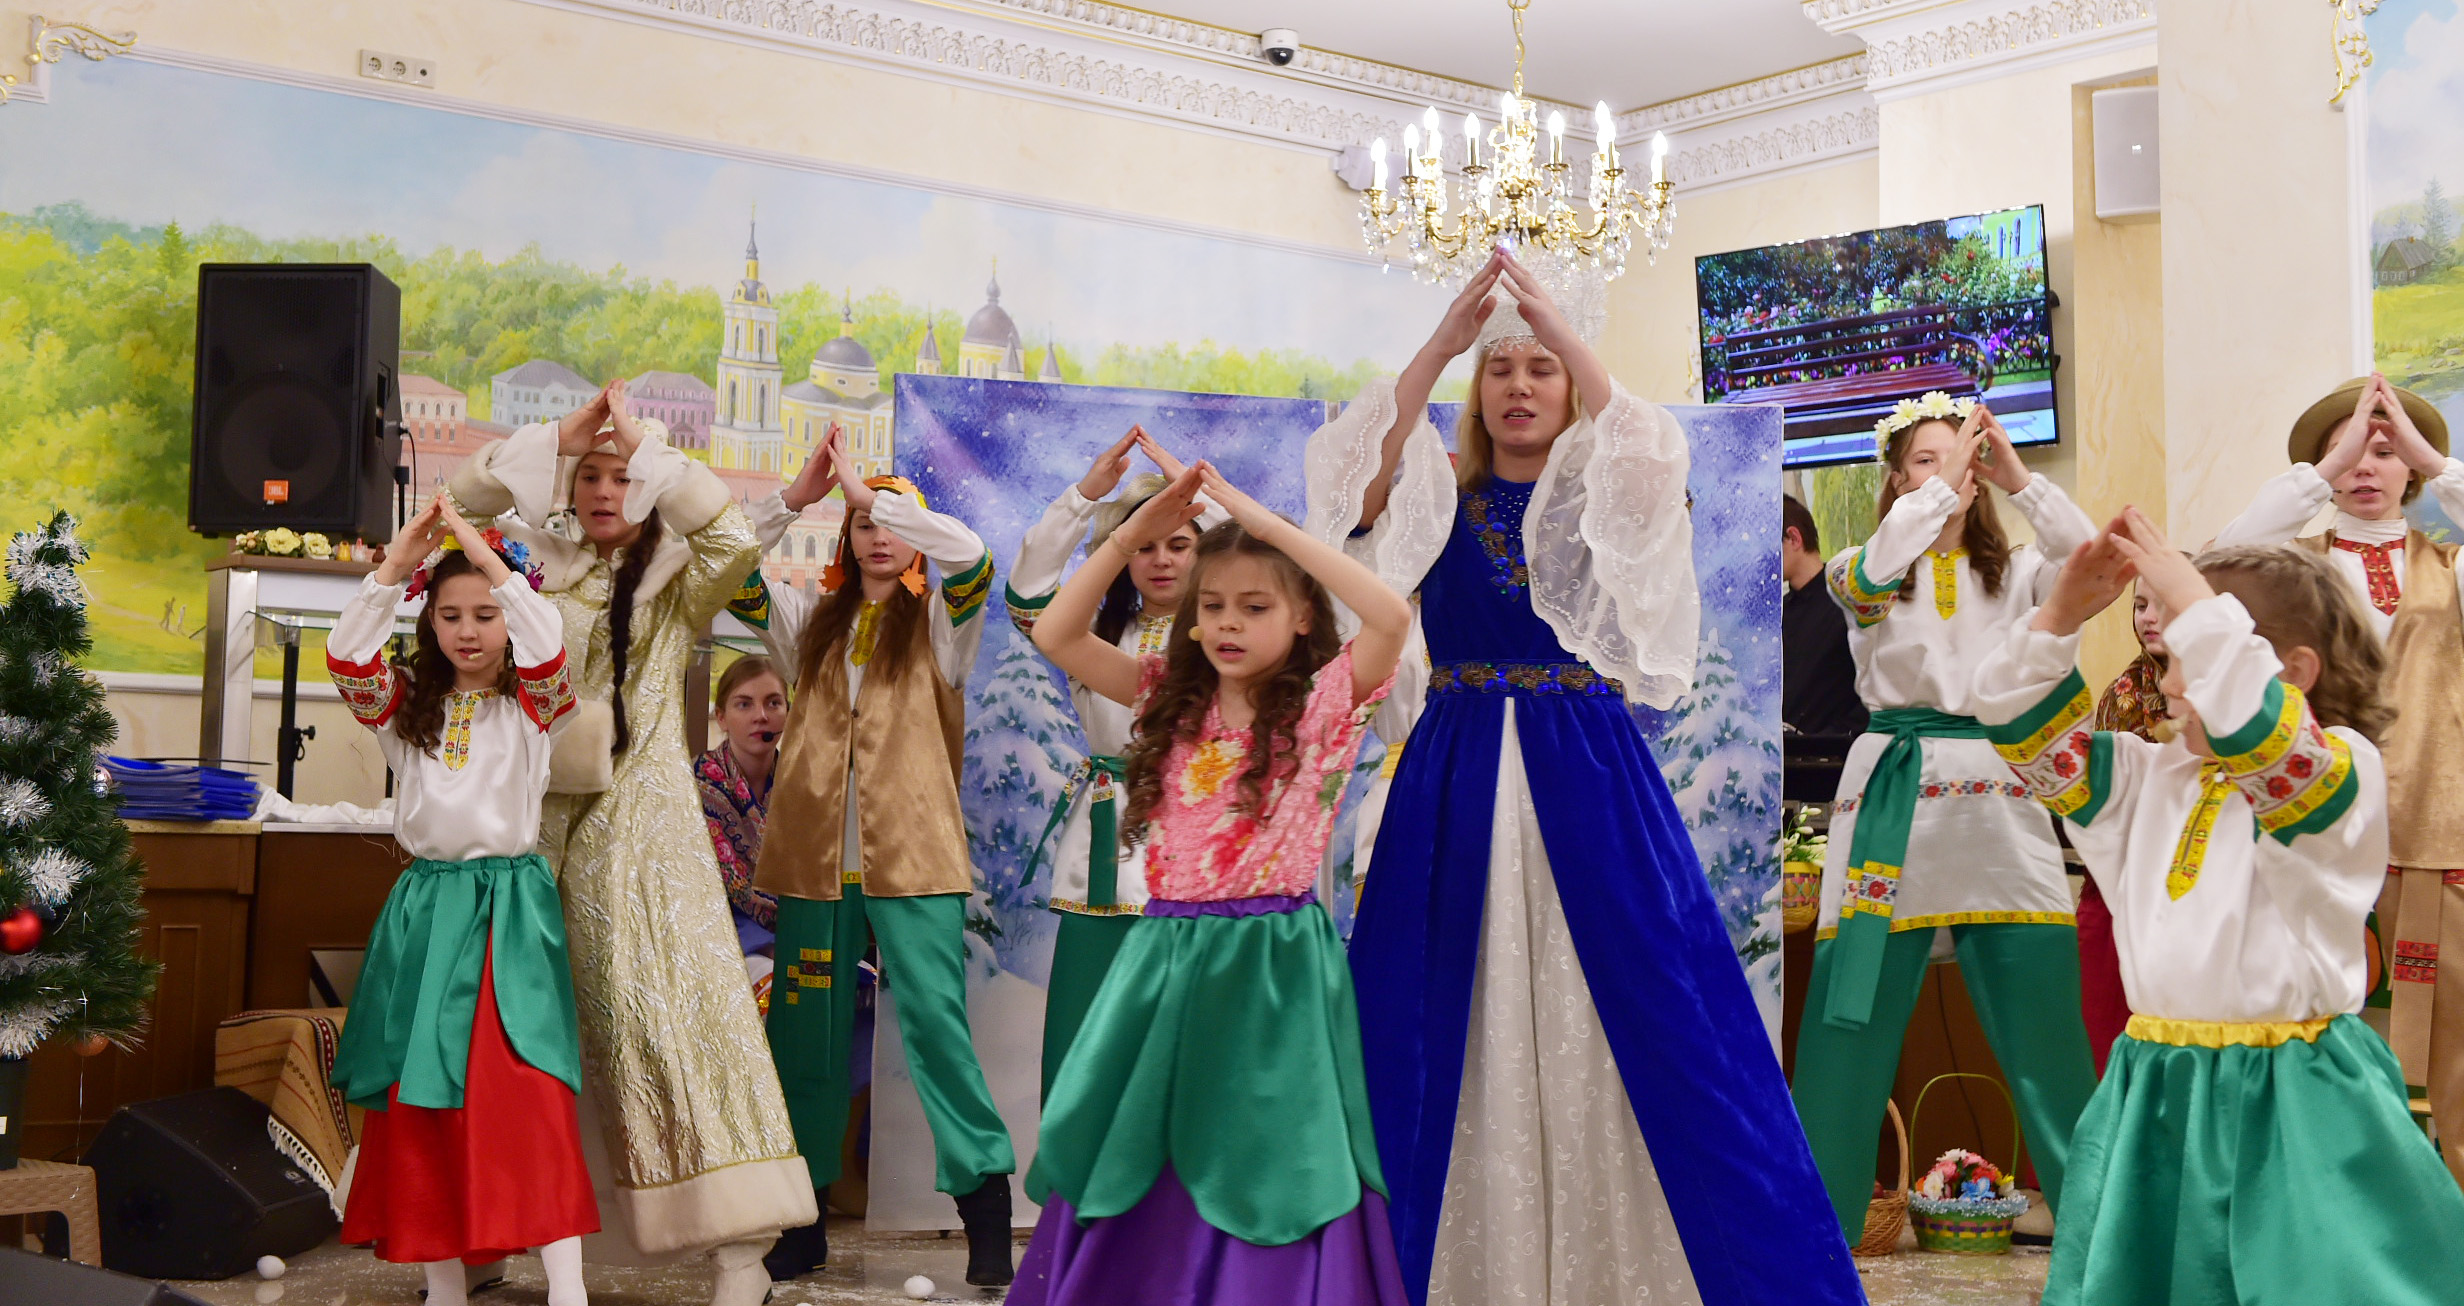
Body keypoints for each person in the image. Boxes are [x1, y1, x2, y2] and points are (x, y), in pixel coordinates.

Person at [1309, 249, 1859, 1305]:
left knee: (1646, 1004)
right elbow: (1352, 482)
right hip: (1455, 771)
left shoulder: (1609, 498)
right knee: (1432, 1005)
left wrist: (1561, 327)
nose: (1518, 386)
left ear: (1569, 384)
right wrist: (1441, 344)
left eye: (1541, 369)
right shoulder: (1437, 497)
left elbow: (1649, 452)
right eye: (1499, 369)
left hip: (1591, 773)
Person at [1975, 511, 2464, 1304]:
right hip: (2157, 1084)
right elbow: (2022, 729)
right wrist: (2058, 616)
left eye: (2187, 661)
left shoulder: (2337, 773)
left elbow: (2267, 738)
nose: (2167, 684)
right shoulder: (2148, 777)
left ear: (2292, 671)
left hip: (2291, 1090)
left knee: (2304, 1280)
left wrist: (2198, 606)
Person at [1013, 461, 1412, 1304]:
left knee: (1270, 1147)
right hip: (1164, 956)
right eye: (1214, 605)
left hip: (1273, 965)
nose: (1229, 622)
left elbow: (1388, 615)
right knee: (1139, 1139)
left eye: (1256, 606)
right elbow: (1056, 633)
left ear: (1303, 617)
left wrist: (1263, 525)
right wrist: (1128, 532)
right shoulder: (1165, 694)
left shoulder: (1324, 704)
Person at [448, 381, 811, 1306]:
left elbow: (731, 542)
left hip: (640, 830)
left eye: (622, 477)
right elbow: (448, 511)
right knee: (509, 1027)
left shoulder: (676, 578)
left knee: (662, 1017)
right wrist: (553, 437)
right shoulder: (526, 567)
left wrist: (650, 446)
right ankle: (490, 1231)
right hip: (525, 826)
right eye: (590, 475)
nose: (606, 491)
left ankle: (740, 1253)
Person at [1792, 390, 2100, 1243]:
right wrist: (1940, 489)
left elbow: (2089, 559)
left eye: (1963, 458)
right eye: (1926, 460)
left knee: (2046, 1020)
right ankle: (1816, 1238)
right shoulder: (1861, 571)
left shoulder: (2022, 573)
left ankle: (2099, 1229)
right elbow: (1874, 574)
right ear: (1897, 480)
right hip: (1894, 794)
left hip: (1999, 798)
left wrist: (2022, 480)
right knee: (1849, 1019)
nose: (1951, 473)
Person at [729, 427, 1017, 1286]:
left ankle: (985, 1213)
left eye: (891, 520)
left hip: (915, 862)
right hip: (815, 867)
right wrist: (795, 499)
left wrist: (872, 494)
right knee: (805, 1038)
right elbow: (727, 570)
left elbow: (971, 557)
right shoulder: (809, 623)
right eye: (861, 523)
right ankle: (804, 1218)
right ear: (844, 539)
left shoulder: (941, 622)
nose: (876, 533)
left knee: (936, 1028)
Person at [326, 495, 595, 1306]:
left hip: (509, 912)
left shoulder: (537, 705)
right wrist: (397, 563)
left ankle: (569, 1291)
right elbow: (347, 656)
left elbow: (547, 643)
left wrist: (486, 556)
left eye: (485, 613)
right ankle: (443, 1285)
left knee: (527, 1089)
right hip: (424, 911)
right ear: (429, 623)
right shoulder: (405, 707)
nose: (468, 631)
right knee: (421, 1097)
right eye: (450, 616)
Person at [2211, 372, 2464, 1188]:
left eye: (2385, 452)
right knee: (2307, 1030)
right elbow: (2218, 561)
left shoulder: (2451, 564)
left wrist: (2431, 456)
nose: (2365, 465)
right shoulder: (2295, 568)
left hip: (2432, 832)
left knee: (2453, 1053)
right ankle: (2317, 1210)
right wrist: (2320, 473)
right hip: (2313, 827)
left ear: (2413, 468)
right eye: (2349, 450)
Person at [1004, 428, 1220, 1099]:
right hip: (1103, 856)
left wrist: (1205, 498)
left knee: (1190, 1043)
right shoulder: (1088, 633)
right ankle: (1079, 1166)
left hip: (1202, 852)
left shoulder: (1232, 638)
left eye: (1179, 543)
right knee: (1087, 1039)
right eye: (1145, 545)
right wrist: (1082, 499)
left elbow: (1289, 579)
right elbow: (1027, 595)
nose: (1161, 559)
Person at [2077, 582, 2172, 1073]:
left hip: (2185, 897)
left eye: (2164, 605)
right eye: (2139, 606)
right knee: (2103, 1046)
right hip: (2118, 890)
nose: (2148, 617)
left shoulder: (2234, 704)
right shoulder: (2122, 694)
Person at [697, 653, 788, 986]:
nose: (761, 716)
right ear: (721, 717)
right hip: (720, 946)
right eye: (744, 705)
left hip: (801, 938)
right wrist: (767, 946)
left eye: (773, 703)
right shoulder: (695, 788)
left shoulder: (805, 788)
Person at [1783, 493, 1868, 740]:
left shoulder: (1847, 600)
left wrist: (1831, 737)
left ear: (1794, 538)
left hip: (1835, 752)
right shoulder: (1781, 612)